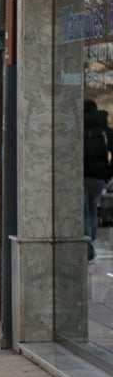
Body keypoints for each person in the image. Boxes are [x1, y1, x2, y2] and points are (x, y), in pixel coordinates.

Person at [84, 99, 113, 260]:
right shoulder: (104, 129)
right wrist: (108, 174)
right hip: (99, 178)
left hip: (81, 177)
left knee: (84, 213)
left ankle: (87, 249)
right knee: (92, 210)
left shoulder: (79, 127)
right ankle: (91, 243)